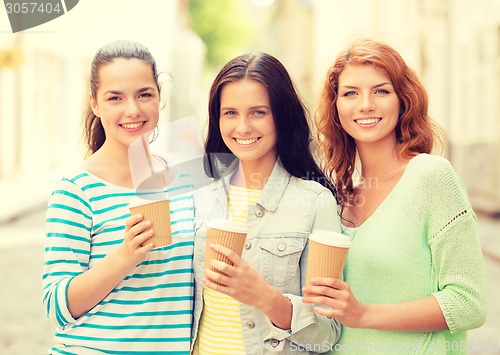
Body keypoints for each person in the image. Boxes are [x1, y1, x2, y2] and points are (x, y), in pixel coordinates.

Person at [307, 38, 487, 353]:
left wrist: (362, 314)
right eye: (350, 93)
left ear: (403, 100)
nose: (365, 104)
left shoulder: (431, 177)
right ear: (336, 106)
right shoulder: (340, 193)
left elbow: (468, 303)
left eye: (381, 91)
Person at [42, 40, 195, 354]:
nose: (133, 110)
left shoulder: (184, 182)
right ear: (96, 104)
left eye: (144, 94)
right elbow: (57, 306)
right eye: (115, 98)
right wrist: (126, 255)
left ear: (159, 97)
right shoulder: (76, 190)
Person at [191, 52, 341, 354]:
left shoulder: (315, 202)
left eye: (258, 112)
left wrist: (264, 296)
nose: (243, 127)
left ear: (282, 116)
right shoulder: (198, 196)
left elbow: (328, 335)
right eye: (230, 113)